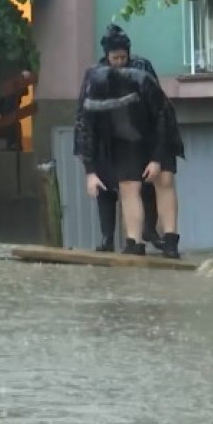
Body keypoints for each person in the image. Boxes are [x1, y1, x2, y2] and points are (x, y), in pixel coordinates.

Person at [74, 24, 166, 253]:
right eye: (115, 58)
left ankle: (147, 230)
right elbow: (84, 116)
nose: (119, 62)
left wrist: (156, 152)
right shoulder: (96, 75)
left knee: (144, 186)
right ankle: (107, 237)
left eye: (123, 57)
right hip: (106, 140)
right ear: (107, 56)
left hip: (137, 138)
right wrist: (88, 164)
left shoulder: (141, 68)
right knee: (105, 189)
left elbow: (158, 106)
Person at [77, 63, 184, 258]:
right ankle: (134, 242)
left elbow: (162, 119)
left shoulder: (143, 83)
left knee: (164, 179)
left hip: (158, 132)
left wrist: (156, 159)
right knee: (128, 185)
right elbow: (87, 134)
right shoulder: (92, 99)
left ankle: (170, 239)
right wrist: (90, 172)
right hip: (125, 140)